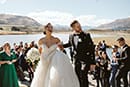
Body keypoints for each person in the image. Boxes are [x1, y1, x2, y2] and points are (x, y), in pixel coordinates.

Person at [30, 23, 79, 87]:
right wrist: (34, 58)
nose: (50, 29)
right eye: (49, 27)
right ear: (45, 29)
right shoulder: (41, 41)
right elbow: (39, 52)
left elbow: (61, 49)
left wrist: (62, 48)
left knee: (53, 77)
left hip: (54, 61)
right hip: (44, 61)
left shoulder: (56, 39)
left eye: (51, 27)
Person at [63, 20, 95, 87]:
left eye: (79, 25)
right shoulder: (71, 35)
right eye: (77, 26)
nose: (80, 27)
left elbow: (92, 49)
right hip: (76, 60)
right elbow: (69, 44)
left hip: (85, 60)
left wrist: (93, 63)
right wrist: (61, 45)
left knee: (84, 75)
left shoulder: (86, 35)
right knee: (77, 77)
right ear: (73, 28)